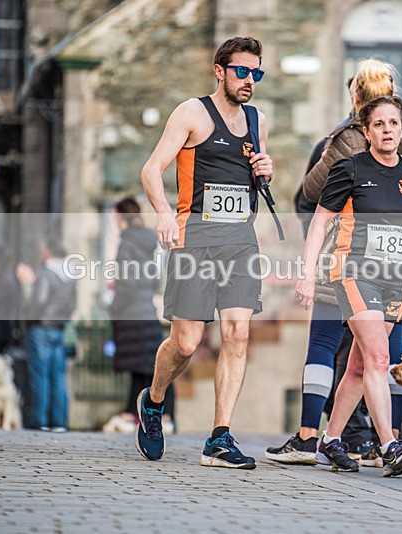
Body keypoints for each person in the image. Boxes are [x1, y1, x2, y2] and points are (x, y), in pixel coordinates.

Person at [267, 60, 402, 466]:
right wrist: (307, 276)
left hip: (393, 277)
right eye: (379, 124)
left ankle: (330, 437)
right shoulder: (348, 168)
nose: (387, 130)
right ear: (366, 130)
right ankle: (390, 444)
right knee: (379, 358)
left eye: (394, 124)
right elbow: (318, 220)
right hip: (352, 272)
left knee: (357, 365)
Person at [135, 36, 273, 469]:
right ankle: (153, 400)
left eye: (256, 73)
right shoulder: (192, 113)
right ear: (219, 71)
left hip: (241, 239)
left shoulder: (258, 120)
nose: (250, 80)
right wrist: (163, 214)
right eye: (242, 71)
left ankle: (219, 438)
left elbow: (252, 179)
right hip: (194, 235)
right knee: (186, 343)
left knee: (238, 333)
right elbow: (151, 170)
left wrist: (265, 171)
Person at [102, 196, 175, 435]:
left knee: (143, 367)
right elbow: (152, 280)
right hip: (146, 310)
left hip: (131, 314)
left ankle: (149, 414)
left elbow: (127, 282)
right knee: (147, 366)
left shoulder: (127, 243)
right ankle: (150, 413)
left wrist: (115, 306)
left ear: (121, 216)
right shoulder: (147, 241)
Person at [19, 240, 77, 431]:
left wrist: (28, 318)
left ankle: (40, 420)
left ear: (47, 251)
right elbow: (72, 305)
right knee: (58, 377)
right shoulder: (70, 276)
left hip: (41, 328)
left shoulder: (45, 273)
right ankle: (59, 421)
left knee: (40, 376)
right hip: (59, 329)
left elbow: (39, 301)